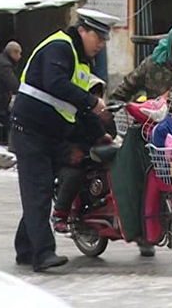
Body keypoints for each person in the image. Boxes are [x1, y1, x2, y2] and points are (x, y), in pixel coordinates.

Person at [11, 8, 119, 272]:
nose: (101, 45)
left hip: (51, 133)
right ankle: (43, 254)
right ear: (83, 30)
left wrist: (99, 133)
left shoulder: (81, 62)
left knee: (42, 189)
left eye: (105, 41)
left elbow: (80, 107)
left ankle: (25, 248)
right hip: (29, 129)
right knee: (38, 190)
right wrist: (92, 101)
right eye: (98, 38)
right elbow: (56, 83)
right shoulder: (60, 47)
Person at [110, 24, 172, 257]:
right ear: (171, 44)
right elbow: (128, 85)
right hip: (152, 133)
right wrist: (113, 103)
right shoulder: (152, 64)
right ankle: (144, 232)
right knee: (145, 180)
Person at [52, 75, 117, 234]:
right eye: (91, 93)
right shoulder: (69, 113)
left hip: (97, 156)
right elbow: (61, 139)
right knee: (74, 175)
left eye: (98, 94)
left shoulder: (102, 113)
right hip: (72, 157)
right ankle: (60, 214)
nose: (96, 98)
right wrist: (76, 151)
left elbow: (111, 133)